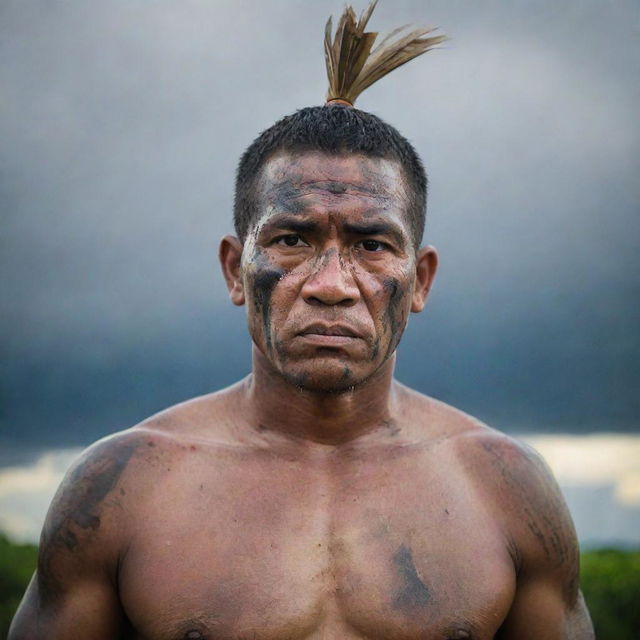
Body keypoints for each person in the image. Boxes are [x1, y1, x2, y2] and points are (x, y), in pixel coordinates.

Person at [10, 3, 594, 639]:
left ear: (419, 279)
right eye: (292, 239)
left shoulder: (506, 490)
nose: (331, 286)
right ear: (236, 269)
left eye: (372, 245)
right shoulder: (120, 489)